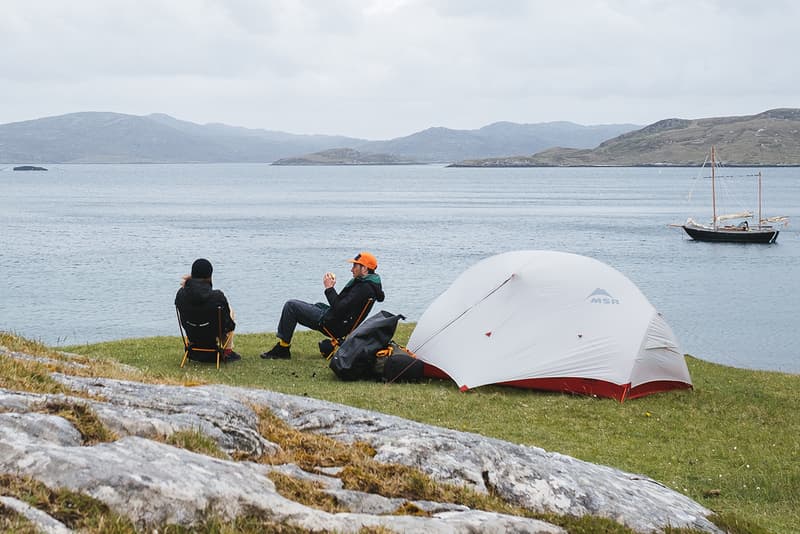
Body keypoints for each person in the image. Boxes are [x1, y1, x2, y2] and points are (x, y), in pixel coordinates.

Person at [260, 251, 385, 360]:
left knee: (291, 306)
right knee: (314, 305)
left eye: (355, 266)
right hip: (341, 322)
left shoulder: (363, 288)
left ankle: (283, 349)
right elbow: (343, 306)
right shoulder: (369, 285)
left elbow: (339, 308)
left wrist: (329, 288)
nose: (351, 269)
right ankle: (283, 347)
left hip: (334, 325)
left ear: (364, 269)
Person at [175, 258, 241, 362]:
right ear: (210, 276)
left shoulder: (180, 294)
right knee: (230, 311)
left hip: (192, 332)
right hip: (212, 332)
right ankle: (227, 351)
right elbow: (229, 325)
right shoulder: (217, 297)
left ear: (192, 274)